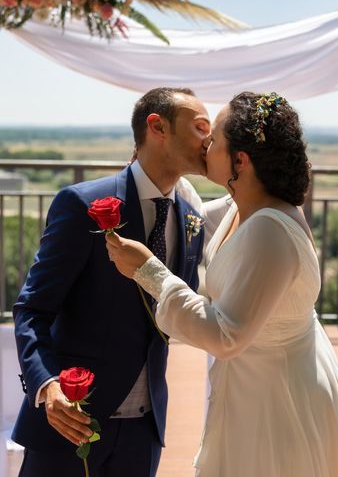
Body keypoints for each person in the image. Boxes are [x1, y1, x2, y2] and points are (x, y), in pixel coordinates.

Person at [106, 91, 338, 476]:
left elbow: (226, 336)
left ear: (241, 161)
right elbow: (188, 217)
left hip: (277, 400)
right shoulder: (245, 207)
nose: (206, 144)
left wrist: (149, 271)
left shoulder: (270, 231)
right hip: (255, 388)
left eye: (215, 139)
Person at [12, 87, 209, 476]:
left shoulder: (192, 220)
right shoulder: (83, 205)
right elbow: (31, 309)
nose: (210, 139)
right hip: (70, 424)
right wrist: (48, 385)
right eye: (200, 126)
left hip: (143, 433)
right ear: (157, 127)